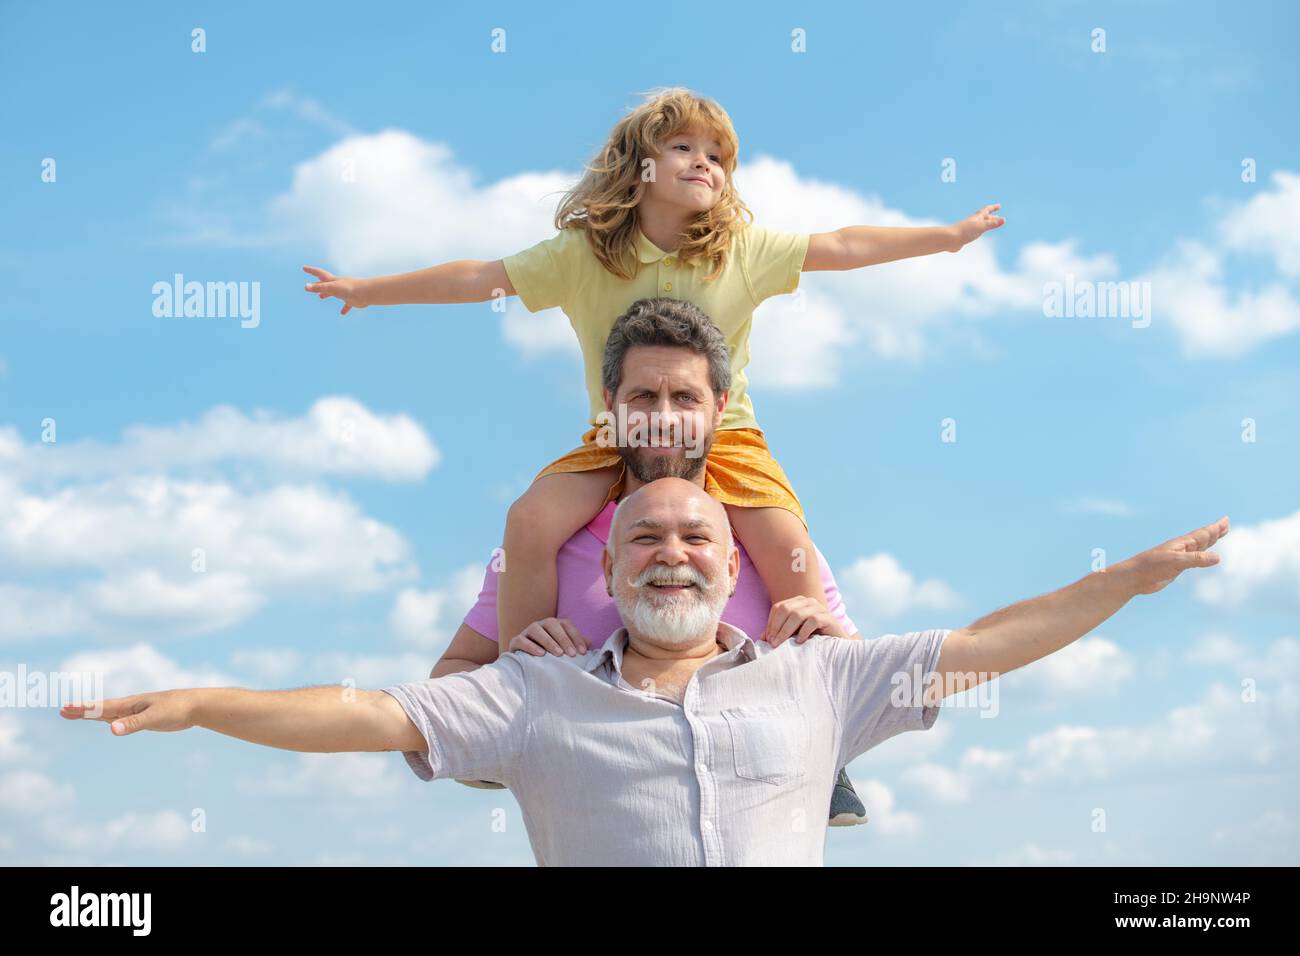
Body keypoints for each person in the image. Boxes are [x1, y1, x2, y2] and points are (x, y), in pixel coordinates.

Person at [61, 479, 1229, 865]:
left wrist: (1121, 580)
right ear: (607, 567)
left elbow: (984, 643)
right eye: (644, 538)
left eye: (696, 539)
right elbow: (369, 711)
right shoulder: (530, 690)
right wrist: (205, 702)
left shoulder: (819, 677)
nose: (672, 551)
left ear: (735, 567)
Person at [300, 86, 1005, 654]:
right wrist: (368, 290)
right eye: (683, 147)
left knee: (790, 542)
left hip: (724, 436)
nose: (705, 163)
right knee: (529, 519)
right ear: (638, 164)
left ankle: (824, 697)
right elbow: (481, 277)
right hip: (617, 435)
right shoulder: (582, 256)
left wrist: (947, 239)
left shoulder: (743, 249)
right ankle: (519, 682)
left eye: (718, 157)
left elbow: (845, 244)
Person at [432, 297, 867, 825]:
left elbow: (872, 694)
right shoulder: (544, 547)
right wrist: (508, 676)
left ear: (720, 407)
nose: (664, 418)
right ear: (609, 401)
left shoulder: (780, 547)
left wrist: (841, 653)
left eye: (686, 397)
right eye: (643, 396)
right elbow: (448, 680)